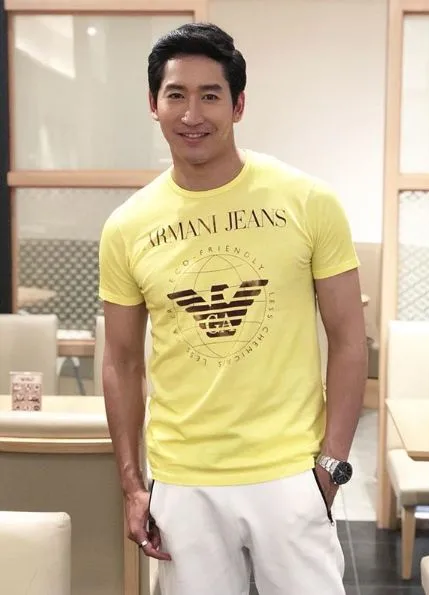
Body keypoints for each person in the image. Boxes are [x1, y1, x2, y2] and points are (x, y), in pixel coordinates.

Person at [99, 22, 367, 595]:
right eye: (176, 95)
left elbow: (348, 339)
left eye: (210, 95)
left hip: (290, 473)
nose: (192, 114)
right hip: (184, 480)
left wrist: (330, 467)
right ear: (153, 104)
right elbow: (121, 362)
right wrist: (133, 486)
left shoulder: (308, 202)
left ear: (238, 105)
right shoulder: (127, 226)